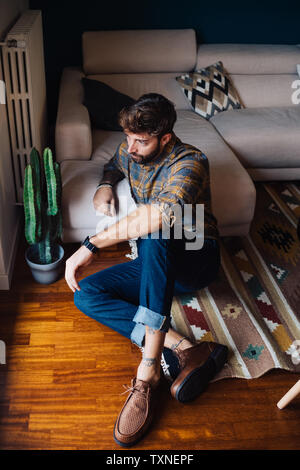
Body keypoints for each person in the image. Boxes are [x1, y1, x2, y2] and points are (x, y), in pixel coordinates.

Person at [65, 93, 228, 447]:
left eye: (141, 140)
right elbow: (116, 161)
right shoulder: (131, 150)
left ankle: (148, 371)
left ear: (165, 138)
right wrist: (106, 183)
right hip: (156, 260)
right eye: (129, 138)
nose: (132, 147)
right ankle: (186, 347)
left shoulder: (190, 162)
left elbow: (157, 217)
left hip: (197, 257)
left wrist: (91, 245)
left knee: (156, 226)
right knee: (86, 295)